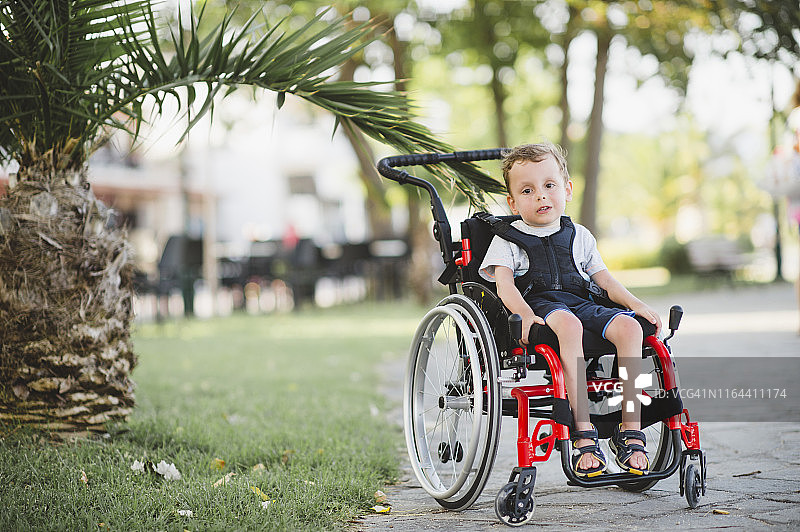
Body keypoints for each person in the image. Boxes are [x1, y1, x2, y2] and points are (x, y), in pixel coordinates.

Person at [479, 142, 662, 477]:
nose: (541, 197)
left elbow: (604, 280)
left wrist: (636, 305)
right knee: (569, 325)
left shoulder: (579, 235)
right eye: (527, 190)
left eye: (549, 186)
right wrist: (523, 314)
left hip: (582, 301)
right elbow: (504, 285)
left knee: (631, 328)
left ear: (567, 189)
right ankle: (582, 431)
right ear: (512, 202)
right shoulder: (506, 239)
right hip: (541, 305)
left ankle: (630, 429)